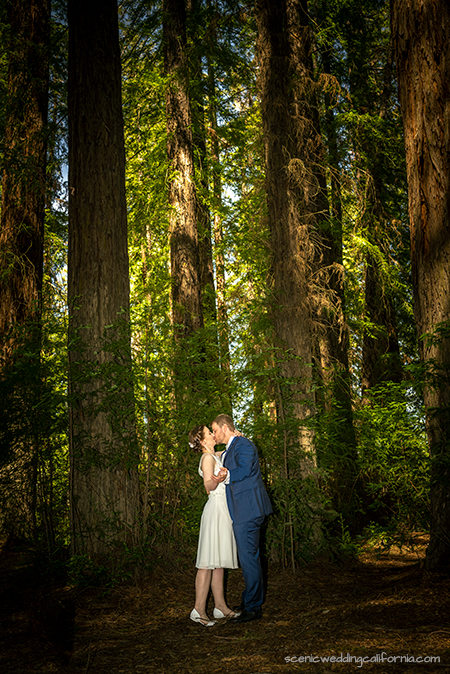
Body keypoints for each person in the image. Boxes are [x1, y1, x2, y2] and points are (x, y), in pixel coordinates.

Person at [211, 414, 273, 623]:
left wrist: (226, 475)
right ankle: (249, 601)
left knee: (249, 558)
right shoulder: (233, 446)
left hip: (249, 510)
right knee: (248, 557)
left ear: (225, 427)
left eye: (215, 430)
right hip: (242, 511)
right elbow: (218, 455)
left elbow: (245, 469)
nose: (214, 434)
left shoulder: (244, 445)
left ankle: (254, 608)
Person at [188, 424, 239, 626]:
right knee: (207, 563)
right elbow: (208, 486)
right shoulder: (207, 458)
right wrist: (217, 479)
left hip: (223, 510)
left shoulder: (215, 455)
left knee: (218, 563)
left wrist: (236, 437)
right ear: (202, 440)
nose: (212, 434)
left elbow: (227, 449)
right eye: (209, 433)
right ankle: (198, 609)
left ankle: (220, 607)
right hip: (215, 509)